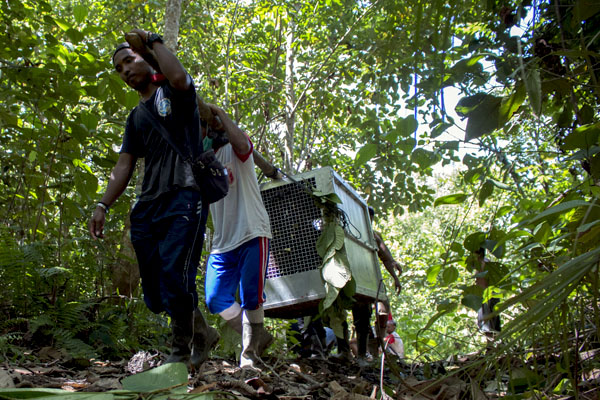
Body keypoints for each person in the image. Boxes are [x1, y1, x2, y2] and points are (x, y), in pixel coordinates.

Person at [88, 29, 219, 369]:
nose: (125, 70)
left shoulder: (175, 93)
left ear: (144, 58)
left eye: (128, 60)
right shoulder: (136, 117)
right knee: (156, 294)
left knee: (176, 276)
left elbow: (178, 76)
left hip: (185, 196)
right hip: (148, 206)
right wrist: (103, 204)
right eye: (119, 68)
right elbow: (125, 163)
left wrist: (151, 41)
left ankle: (179, 352)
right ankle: (202, 330)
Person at [202, 104, 274, 371]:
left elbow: (243, 144)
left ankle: (249, 354)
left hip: (251, 231)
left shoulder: (236, 149)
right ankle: (259, 336)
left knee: (251, 296)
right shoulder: (201, 160)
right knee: (214, 297)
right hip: (222, 242)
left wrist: (220, 113)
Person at [368, 207, 403, 293]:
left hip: (370, 274)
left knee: (383, 301)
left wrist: (395, 277)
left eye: (370, 220)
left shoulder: (375, 234)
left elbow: (385, 258)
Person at [474, 248, 501, 338]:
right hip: (485, 295)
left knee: (490, 323)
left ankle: (493, 346)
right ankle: (490, 346)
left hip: (488, 295)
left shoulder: (484, 263)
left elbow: (484, 281)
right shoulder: (480, 264)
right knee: (486, 323)